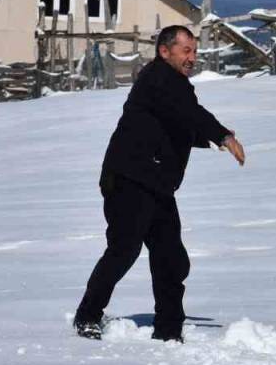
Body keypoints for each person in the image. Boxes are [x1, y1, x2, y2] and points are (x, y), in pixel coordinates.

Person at [73, 25, 246, 343]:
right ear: (165, 51)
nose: (192, 58)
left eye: (194, 51)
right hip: (129, 179)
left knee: (171, 258)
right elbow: (188, 113)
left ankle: (168, 330)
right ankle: (87, 316)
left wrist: (210, 139)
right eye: (186, 51)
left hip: (156, 184)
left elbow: (177, 121)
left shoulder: (174, 84)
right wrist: (221, 135)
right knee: (124, 250)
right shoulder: (158, 79)